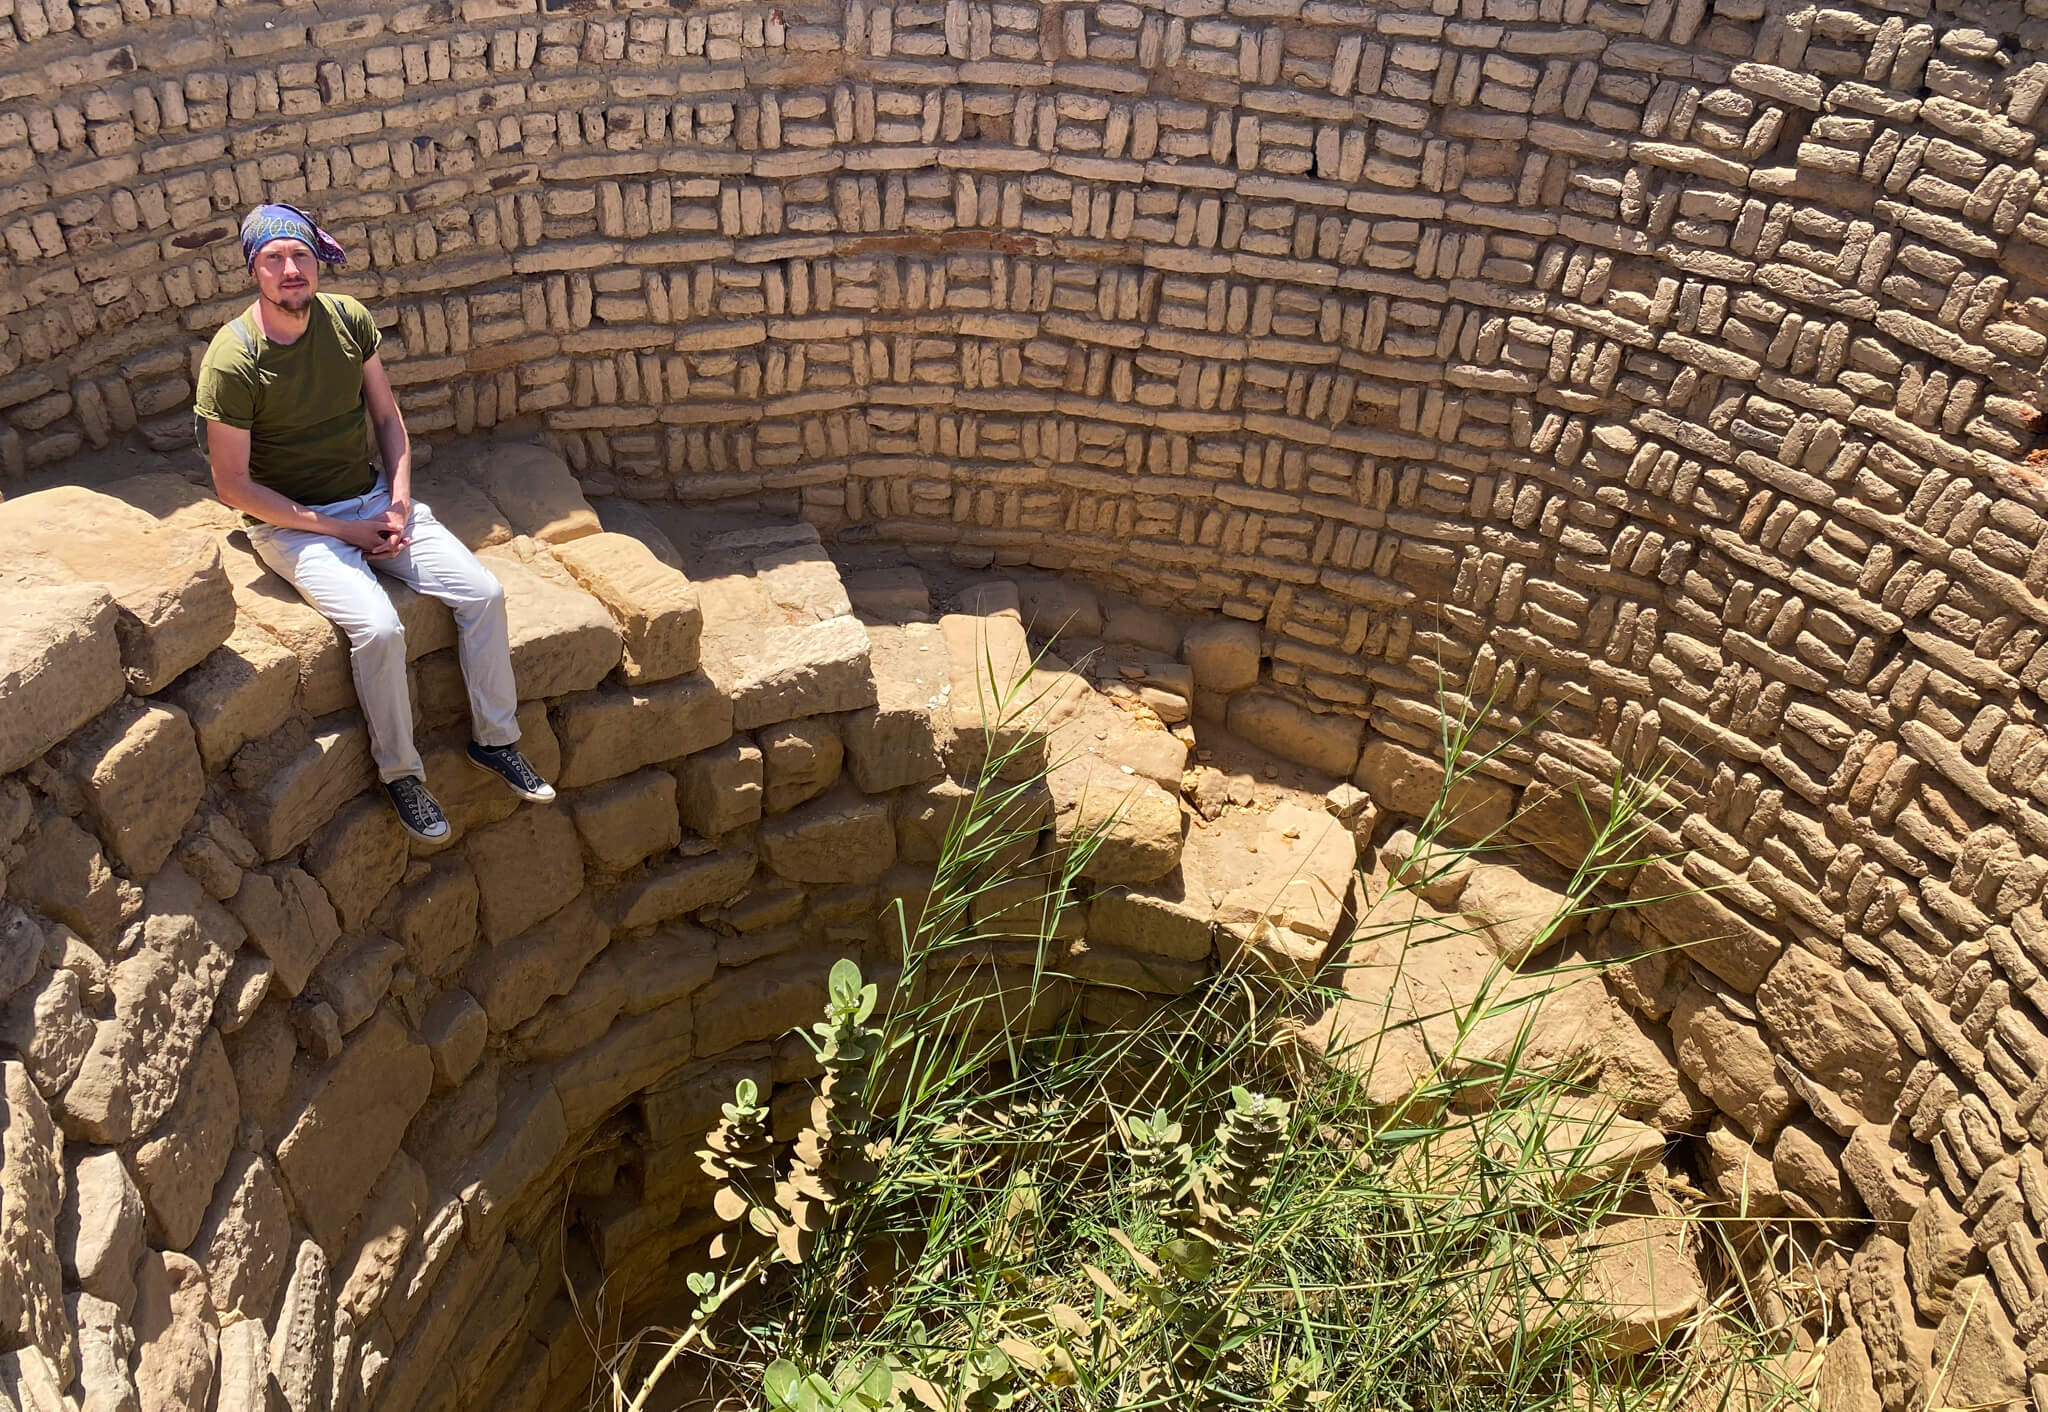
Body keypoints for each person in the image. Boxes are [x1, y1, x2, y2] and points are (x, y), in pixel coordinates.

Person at [194, 202, 554, 843]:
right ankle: (401, 776)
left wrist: (399, 499)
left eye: (299, 256)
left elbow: (387, 419)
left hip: (370, 499)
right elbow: (233, 487)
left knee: (484, 593)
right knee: (381, 629)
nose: (289, 270)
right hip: (291, 524)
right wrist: (345, 534)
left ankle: (495, 741)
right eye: (273, 260)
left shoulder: (347, 320)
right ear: (255, 270)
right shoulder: (235, 357)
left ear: (316, 262)